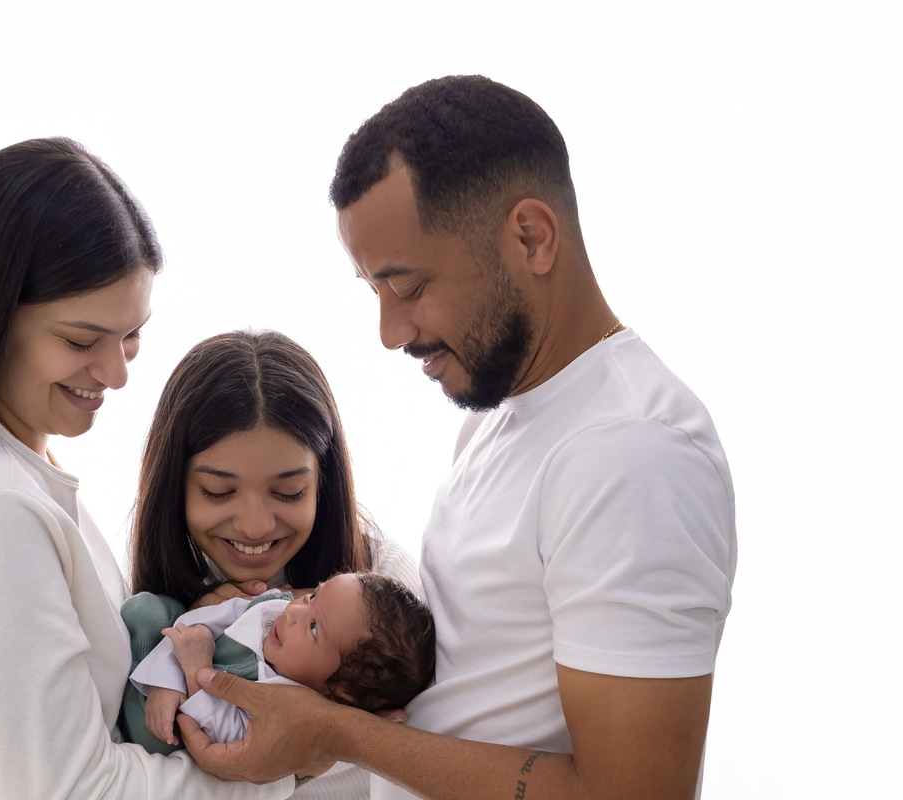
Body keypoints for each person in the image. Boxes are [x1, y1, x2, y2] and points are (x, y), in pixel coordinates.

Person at [176, 76, 738, 800]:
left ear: (531, 238)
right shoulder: (499, 420)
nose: (389, 333)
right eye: (373, 291)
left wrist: (332, 732)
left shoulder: (631, 454)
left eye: (406, 288)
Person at [0, 138, 295, 800]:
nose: (117, 373)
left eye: (132, 336)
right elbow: (74, 790)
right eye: (82, 341)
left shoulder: (15, 482)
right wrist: (292, 767)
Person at [125, 328, 424, 796]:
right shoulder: (153, 601)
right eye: (218, 491)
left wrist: (308, 752)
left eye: (289, 492)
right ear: (174, 486)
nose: (255, 527)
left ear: (322, 483)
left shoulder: (385, 584)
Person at [123, 572, 435, 754]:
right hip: (155, 665)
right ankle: (127, 669)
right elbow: (197, 623)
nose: (294, 611)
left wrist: (196, 670)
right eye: (313, 597)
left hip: (158, 735)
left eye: (314, 628)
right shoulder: (272, 608)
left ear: (338, 693)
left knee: (157, 742)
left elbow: (223, 736)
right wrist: (166, 680)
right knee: (145, 609)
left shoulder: (288, 709)